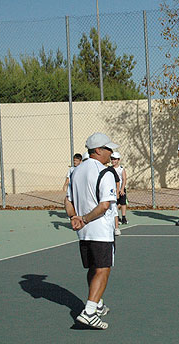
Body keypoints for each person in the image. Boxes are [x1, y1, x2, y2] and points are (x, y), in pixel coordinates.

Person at [64, 133, 119, 329]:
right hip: (100, 231)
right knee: (103, 269)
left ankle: (98, 304)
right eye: (108, 149)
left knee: (94, 268)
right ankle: (89, 312)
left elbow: (67, 200)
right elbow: (104, 205)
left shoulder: (76, 171)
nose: (111, 153)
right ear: (98, 150)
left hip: (83, 233)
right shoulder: (106, 173)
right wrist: (85, 219)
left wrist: (74, 217)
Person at [110, 152, 129, 225]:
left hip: (121, 189)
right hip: (113, 190)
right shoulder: (110, 169)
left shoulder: (121, 169)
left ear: (118, 160)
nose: (113, 161)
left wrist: (122, 189)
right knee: (115, 204)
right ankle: (117, 217)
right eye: (112, 159)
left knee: (123, 203)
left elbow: (124, 179)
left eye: (115, 159)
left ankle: (123, 217)